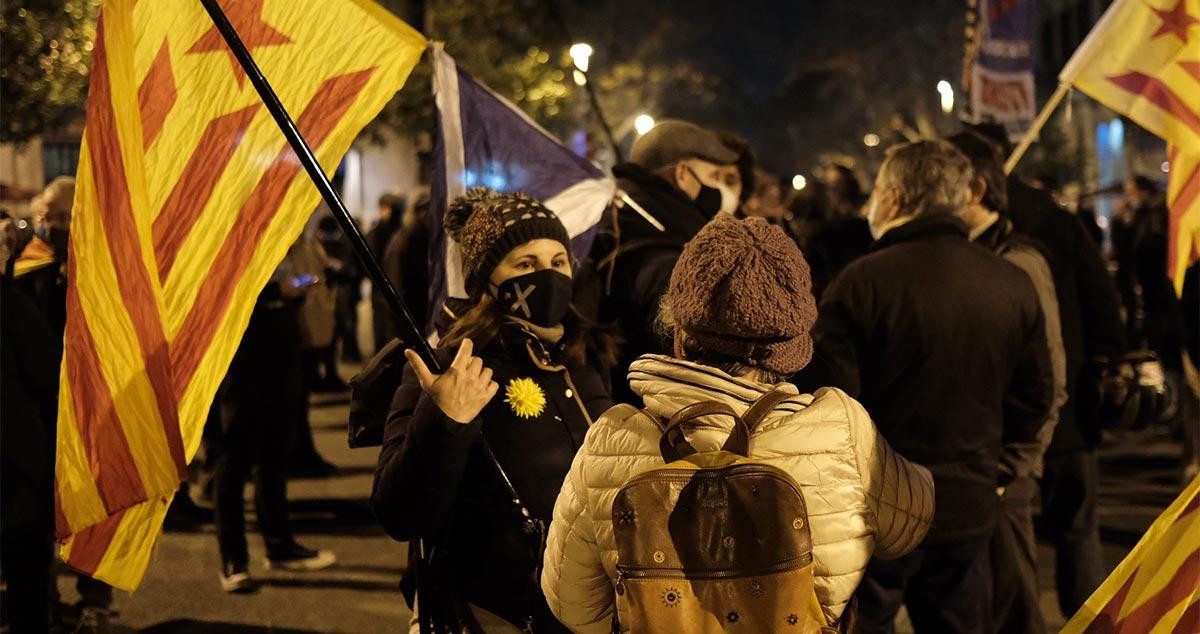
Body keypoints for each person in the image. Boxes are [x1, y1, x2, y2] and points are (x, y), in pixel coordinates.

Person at [541, 215, 935, 631]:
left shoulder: (612, 440)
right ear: (790, 348)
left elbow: (573, 607)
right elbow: (909, 525)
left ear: (679, 330)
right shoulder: (841, 428)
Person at [796, 140, 1054, 633]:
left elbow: (830, 405)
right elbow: (1034, 397)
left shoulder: (862, 282)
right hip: (967, 500)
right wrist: (993, 468)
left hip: (874, 507)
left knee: (865, 621)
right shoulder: (1009, 281)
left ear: (893, 197)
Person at [372, 189, 614, 632]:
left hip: (585, 612)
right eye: (525, 264)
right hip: (491, 613)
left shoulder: (580, 359)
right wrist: (443, 422)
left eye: (558, 262)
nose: (549, 276)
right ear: (486, 280)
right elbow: (399, 512)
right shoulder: (449, 366)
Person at [968, 122, 1126, 616]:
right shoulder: (1053, 218)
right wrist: (1103, 360)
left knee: (1014, 538)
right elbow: (1103, 300)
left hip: (1010, 416)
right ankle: (1089, 623)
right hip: (1070, 404)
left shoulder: (983, 228)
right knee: (1077, 531)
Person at [949, 131, 1069, 634]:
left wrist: (1013, 468)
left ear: (974, 190)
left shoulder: (1016, 260)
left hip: (1000, 471)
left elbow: (1049, 380)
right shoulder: (967, 254)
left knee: (1013, 603)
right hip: (974, 463)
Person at [587, 119, 742, 403]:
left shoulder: (626, 216)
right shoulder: (660, 249)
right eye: (714, 176)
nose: (720, 189)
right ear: (683, 174)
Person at [214, 245, 337, 593]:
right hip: (240, 359)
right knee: (233, 460)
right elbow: (220, 288)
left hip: (281, 353)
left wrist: (291, 295)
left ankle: (279, 544)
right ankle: (233, 559)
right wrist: (276, 291)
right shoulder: (228, 227)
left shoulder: (278, 234)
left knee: (274, 456)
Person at [803, 165, 874, 300]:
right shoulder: (818, 226)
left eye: (838, 184)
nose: (833, 189)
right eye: (830, 185)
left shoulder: (862, 225)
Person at [369, 192, 405, 352]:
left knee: (384, 327)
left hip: (381, 287)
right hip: (386, 287)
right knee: (386, 327)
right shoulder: (398, 231)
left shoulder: (379, 231)